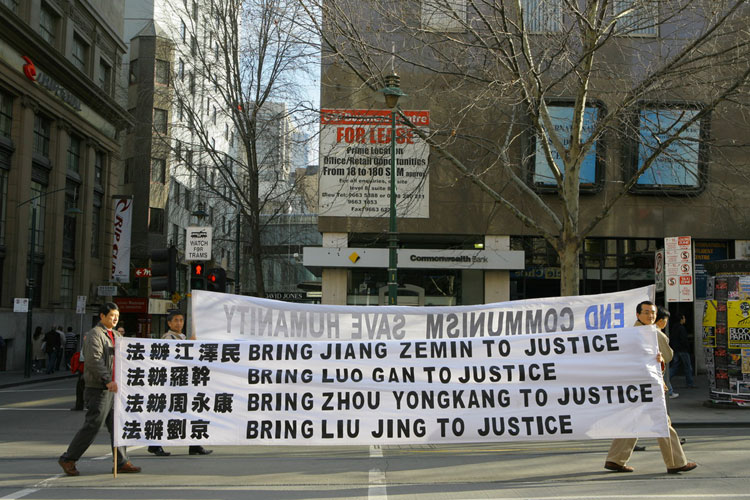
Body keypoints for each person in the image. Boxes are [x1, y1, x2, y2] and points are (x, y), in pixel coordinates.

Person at [603, 300, 697, 474]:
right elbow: (668, 355)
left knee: (632, 421)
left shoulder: (629, 333)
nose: (650, 315)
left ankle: (615, 459)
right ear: (638, 315)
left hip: (634, 384)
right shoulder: (653, 333)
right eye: (646, 312)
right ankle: (676, 462)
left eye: (652, 312)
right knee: (662, 422)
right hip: (647, 385)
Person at [58, 302, 141, 476]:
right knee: (93, 425)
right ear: (102, 316)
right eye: (112, 316)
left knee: (117, 425)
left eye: (117, 316)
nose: (115, 319)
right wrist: (107, 380)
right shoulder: (95, 334)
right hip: (99, 388)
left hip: (114, 389)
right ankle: (68, 458)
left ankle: (121, 461)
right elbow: (94, 360)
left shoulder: (115, 335)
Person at [147, 310, 212, 457]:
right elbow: (174, 355)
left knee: (190, 413)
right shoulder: (168, 337)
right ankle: (155, 444)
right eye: (175, 320)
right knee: (167, 414)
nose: (179, 323)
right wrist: (190, 344)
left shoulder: (182, 337)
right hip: (172, 384)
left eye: (181, 320)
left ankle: (194, 444)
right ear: (169, 323)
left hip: (183, 382)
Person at [655, 309, 678, 399]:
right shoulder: (659, 334)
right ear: (661, 320)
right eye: (666, 320)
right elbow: (668, 356)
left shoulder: (644, 330)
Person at [670, 314, 696, 388]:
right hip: (683, 350)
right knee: (688, 367)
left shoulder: (674, 328)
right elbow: (684, 340)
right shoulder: (681, 328)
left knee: (674, 367)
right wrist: (687, 347)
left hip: (676, 349)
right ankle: (690, 383)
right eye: (684, 318)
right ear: (681, 319)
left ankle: (666, 378)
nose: (685, 320)